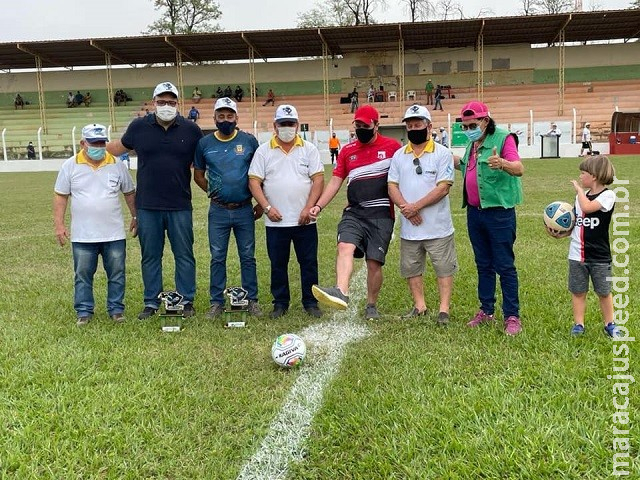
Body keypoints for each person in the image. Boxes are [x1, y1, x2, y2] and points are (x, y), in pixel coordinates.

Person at [106, 81, 203, 320]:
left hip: (180, 204)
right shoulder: (139, 127)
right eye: (162, 101)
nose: (166, 106)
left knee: (184, 255)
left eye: (171, 102)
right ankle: (151, 302)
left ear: (177, 104)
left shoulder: (191, 130)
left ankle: (186, 300)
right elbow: (116, 149)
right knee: (150, 256)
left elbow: (205, 160)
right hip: (147, 206)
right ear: (154, 103)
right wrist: (90, 149)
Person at [310, 105, 401, 319]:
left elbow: (404, 176)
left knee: (373, 263)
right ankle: (341, 291)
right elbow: (335, 181)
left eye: (365, 125)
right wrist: (319, 205)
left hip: (381, 216)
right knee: (344, 246)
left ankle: (371, 305)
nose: (361, 129)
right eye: (357, 125)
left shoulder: (393, 148)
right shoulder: (347, 151)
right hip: (354, 213)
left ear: (376, 125)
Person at [53, 123, 137, 325]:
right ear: (83, 143)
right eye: (94, 143)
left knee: (117, 273)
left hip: (114, 234)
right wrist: (59, 225)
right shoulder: (70, 166)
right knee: (82, 274)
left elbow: (129, 193)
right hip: (83, 235)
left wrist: (136, 216)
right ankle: (84, 311)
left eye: (102, 142)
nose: (98, 146)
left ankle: (116, 310)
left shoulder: (117, 164)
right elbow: (60, 196)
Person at [248, 104, 325, 319]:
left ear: (297, 125)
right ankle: (280, 303)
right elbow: (254, 182)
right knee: (278, 264)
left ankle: (310, 302)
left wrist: (309, 207)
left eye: (291, 124)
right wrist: (267, 207)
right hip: (276, 221)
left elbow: (318, 180)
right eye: (283, 124)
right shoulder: (264, 151)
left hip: (305, 220)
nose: (287, 128)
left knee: (309, 263)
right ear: (275, 125)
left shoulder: (308, 149)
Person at [455, 101, 524, 335]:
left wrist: (502, 163)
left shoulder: (504, 138)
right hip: (475, 213)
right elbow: (466, 167)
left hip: (498, 214)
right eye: (464, 126)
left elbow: (519, 168)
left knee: (504, 265)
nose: (467, 130)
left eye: (472, 125)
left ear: (485, 121)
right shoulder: (472, 143)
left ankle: (512, 316)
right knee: (483, 264)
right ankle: (486, 310)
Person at [193, 97, 262, 319]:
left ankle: (251, 300)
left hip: (244, 209)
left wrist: (261, 202)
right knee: (217, 256)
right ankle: (216, 302)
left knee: (248, 255)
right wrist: (214, 192)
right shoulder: (204, 144)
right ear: (214, 118)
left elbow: (260, 174)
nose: (225, 120)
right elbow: (199, 175)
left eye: (229, 116)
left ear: (236, 118)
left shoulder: (249, 141)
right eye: (221, 116)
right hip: (218, 210)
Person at [388, 105, 457, 325]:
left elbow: (443, 187)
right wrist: (405, 208)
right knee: (411, 268)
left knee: (443, 268)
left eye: (417, 125)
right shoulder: (399, 155)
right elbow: (392, 186)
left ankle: (444, 310)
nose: (413, 128)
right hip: (410, 227)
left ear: (429, 126)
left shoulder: (443, 153)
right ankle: (420, 306)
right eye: (409, 125)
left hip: (438, 226)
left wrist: (415, 207)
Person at [547, 155, 620, 338]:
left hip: (599, 256)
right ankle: (579, 325)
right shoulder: (579, 198)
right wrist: (561, 233)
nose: (580, 177)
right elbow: (577, 223)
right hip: (577, 255)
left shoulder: (608, 196)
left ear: (594, 176)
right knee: (578, 291)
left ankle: (610, 324)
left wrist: (579, 191)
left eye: (583, 173)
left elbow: (587, 208)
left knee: (604, 292)